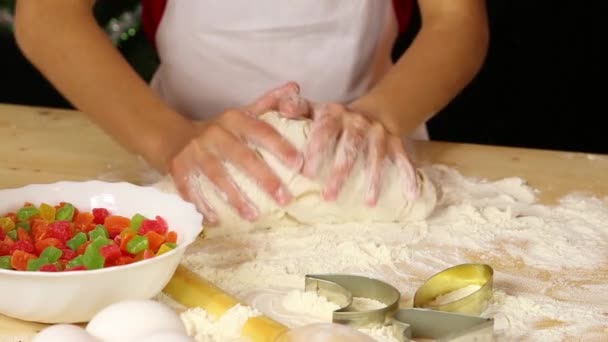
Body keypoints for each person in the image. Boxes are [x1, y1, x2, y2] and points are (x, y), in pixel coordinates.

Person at [14, 0, 489, 225]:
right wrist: (170, 139)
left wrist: (381, 115)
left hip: (369, 152)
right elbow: (48, 19)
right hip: (180, 147)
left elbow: (457, 22)